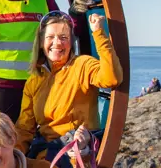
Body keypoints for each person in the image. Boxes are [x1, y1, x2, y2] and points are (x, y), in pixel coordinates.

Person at [15, 12, 122, 160]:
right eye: (50, 37)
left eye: (63, 37)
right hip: (46, 151)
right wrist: (14, 155)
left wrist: (99, 34)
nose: (57, 43)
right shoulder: (35, 80)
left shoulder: (82, 64)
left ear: (72, 42)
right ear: (41, 42)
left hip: (76, 150)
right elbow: (24, 128)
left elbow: (112, 78)